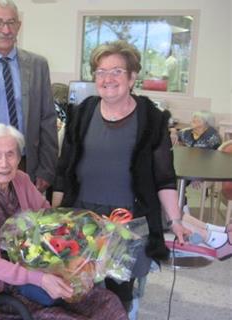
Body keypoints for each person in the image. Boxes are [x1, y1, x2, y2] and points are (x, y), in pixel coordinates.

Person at [52, 40, 190, 312]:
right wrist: (55, 215)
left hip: (126, 222)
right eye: (101, 72)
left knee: (118, 296)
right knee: (76, 292)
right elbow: (64, 169)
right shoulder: (82, 113)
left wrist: (175, 220)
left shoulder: (151, 118)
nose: (107, 78)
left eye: (116, 71)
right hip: (82, 218)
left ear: (132, 76)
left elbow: (164, 177)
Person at [0, 124, 128, 319]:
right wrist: (39, 279)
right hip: (2, 289)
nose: (4, 163)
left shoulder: (20, 179)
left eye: (10, 154)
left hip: (40, 276)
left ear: (19, 158)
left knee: (108, 304)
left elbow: (54, 223)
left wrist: (86, 256)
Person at [0, 0, 57, 193]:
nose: (6, 30)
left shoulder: (38, 65)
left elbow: (48, 119)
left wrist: (47, 168)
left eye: (11, 22)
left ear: (18, 26)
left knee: (29, 219)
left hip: (27, 162)